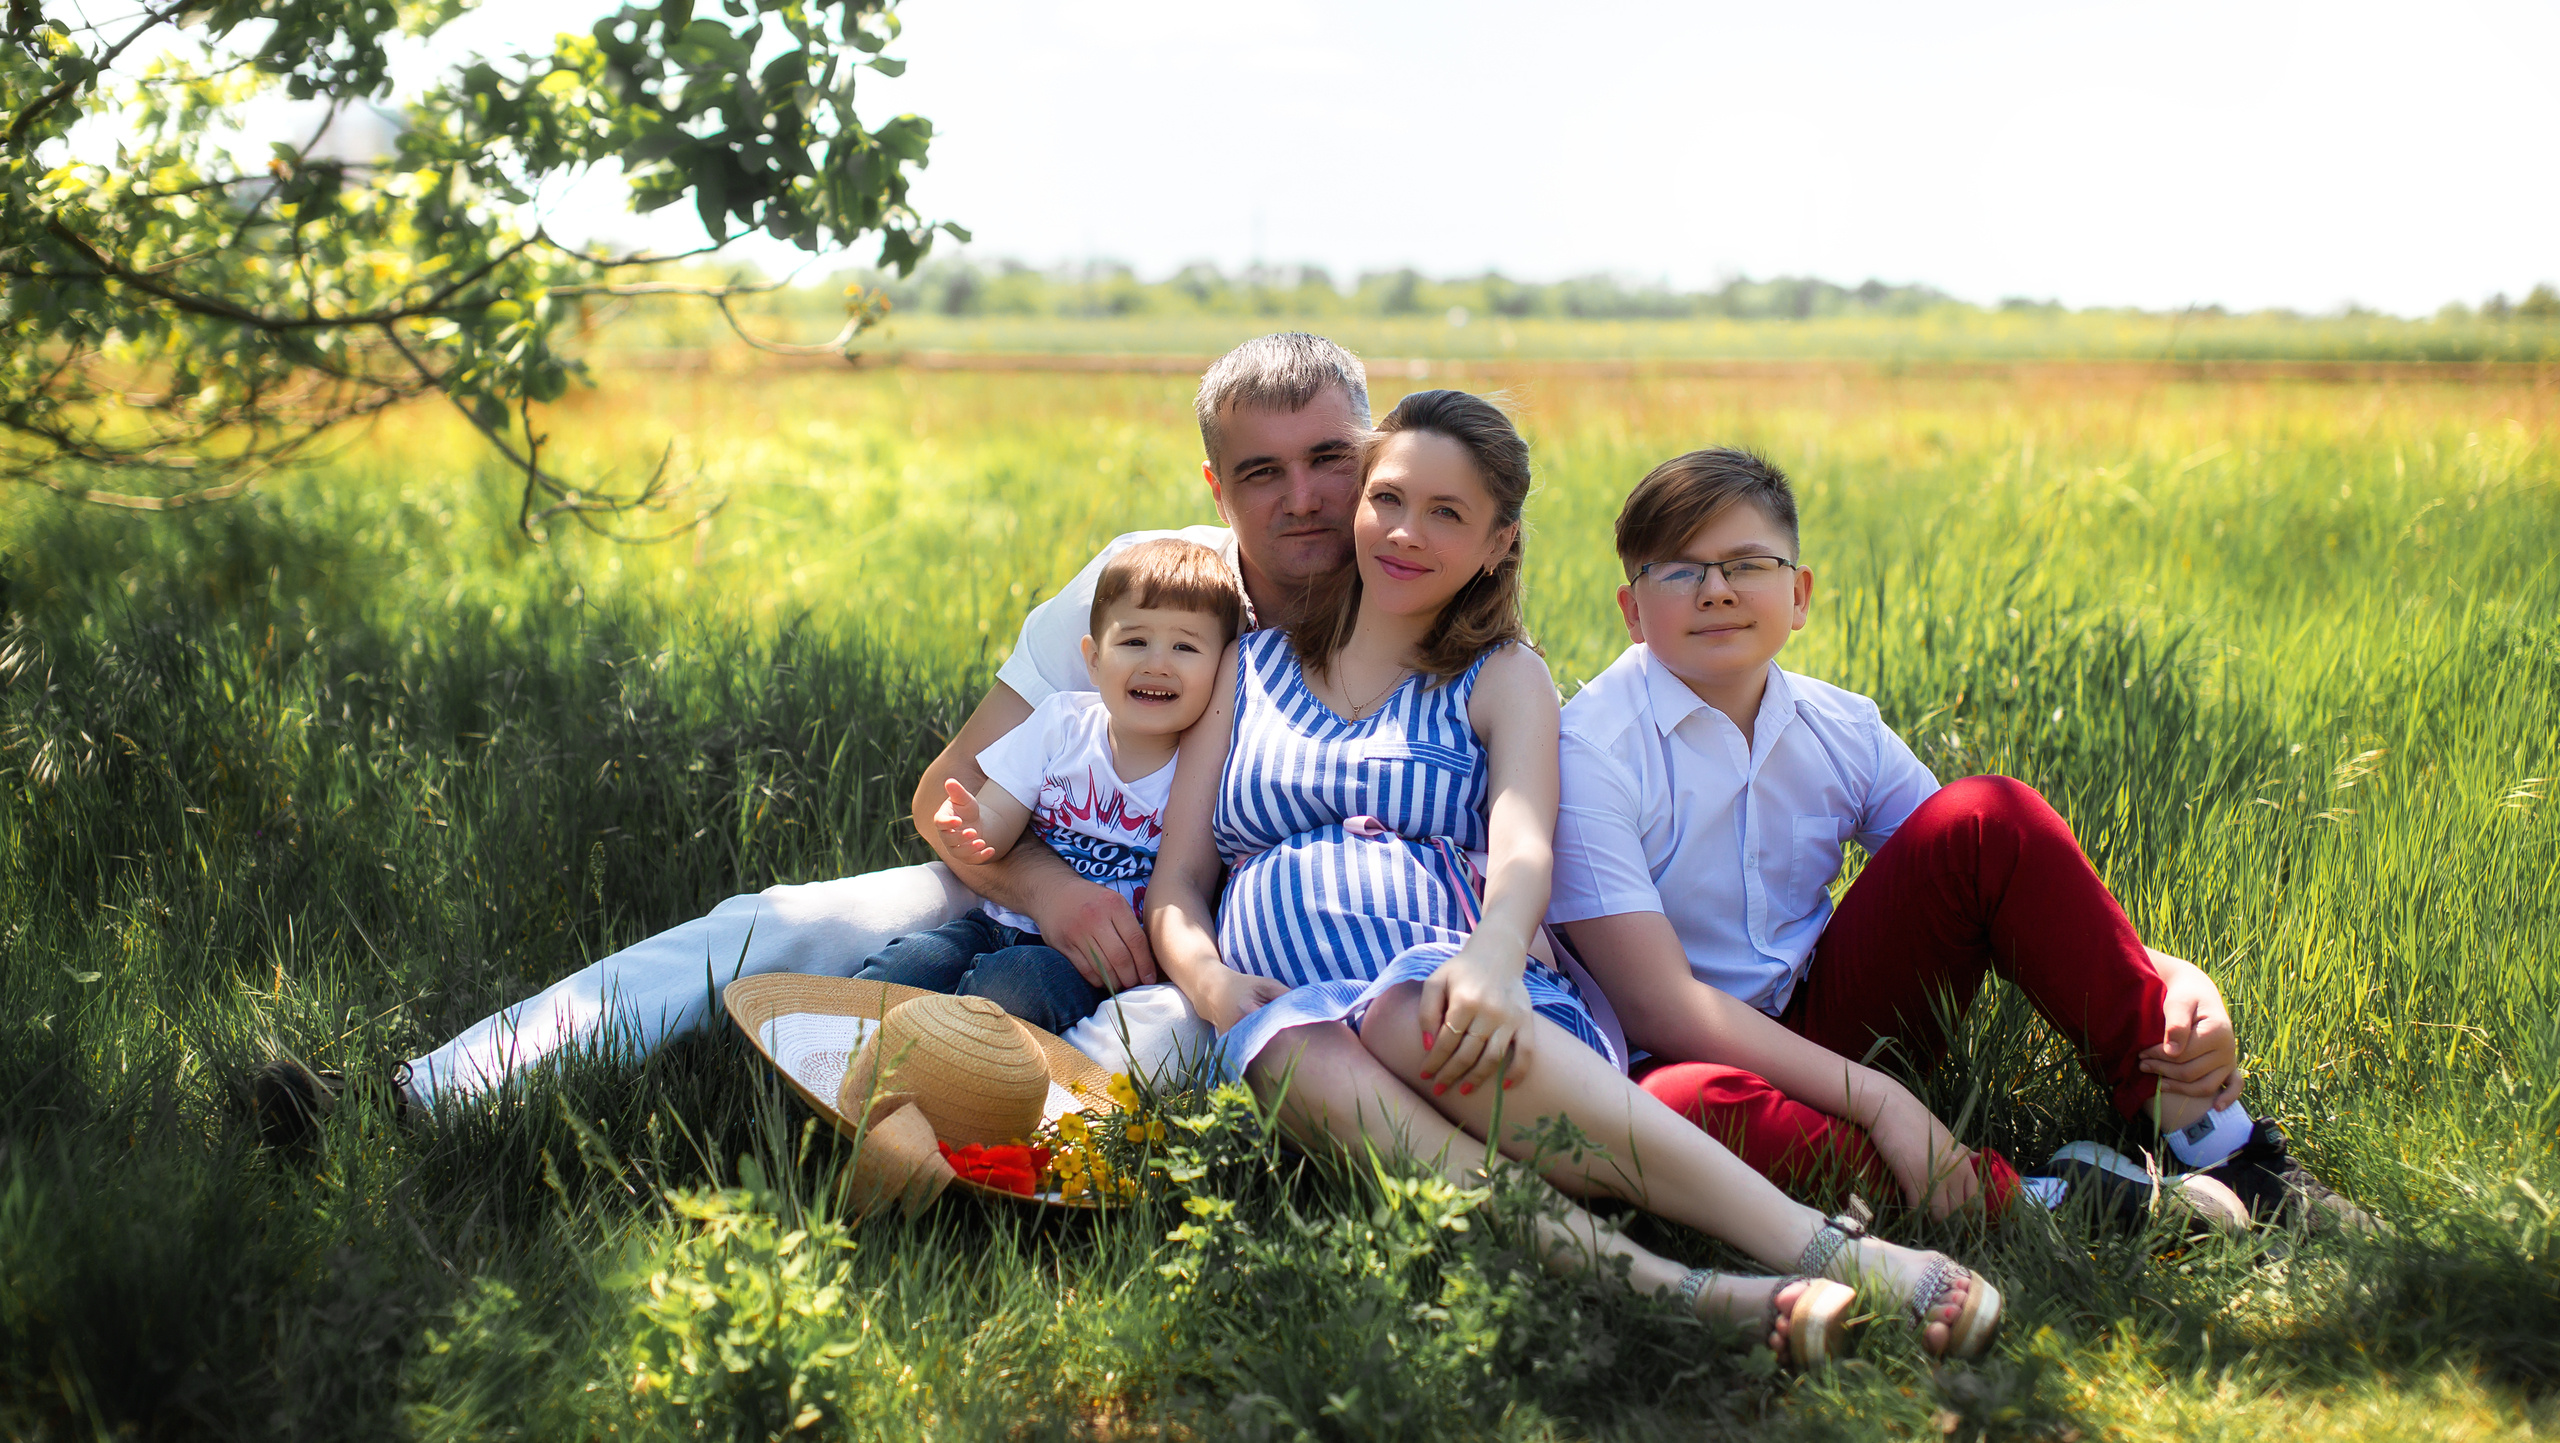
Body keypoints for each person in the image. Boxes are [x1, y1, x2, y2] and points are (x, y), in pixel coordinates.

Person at [248, 333, 1373, 1144]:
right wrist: (1048, 890)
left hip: (1223, 960)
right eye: (1262, 471)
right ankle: (419, 1098)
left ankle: (945, 1173)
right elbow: (947, 790)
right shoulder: (1148, 587)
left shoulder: (1416, 601)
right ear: (1215, 487)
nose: (1305, 498)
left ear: (1372, 454)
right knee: (774, 919)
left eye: (1330, 458)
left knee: (1149, 1042)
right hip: (1046, 889)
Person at [1145, 390, 2005, 1367]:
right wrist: (1210, 983)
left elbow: (1523, 846)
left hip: (1469, 994)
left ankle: (1829, 1250)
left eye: (1447, 513)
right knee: (1283, 1050)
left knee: (1408, 1014)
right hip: (1299, 1015)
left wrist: (1492, 955)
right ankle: (1688, 1294)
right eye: (1388, 499)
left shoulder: (1500, 674)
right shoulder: (1246, 670)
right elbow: (1177, 882)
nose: (1405, 532)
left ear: (1497, 545)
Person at [1549, 447, 2368, 1233]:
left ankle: (2223, 1146)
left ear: (1798, 595)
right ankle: (2048, 1200)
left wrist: (2175, 977)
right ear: (1632, 611)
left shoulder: (1840, 726)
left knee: (1988, 814)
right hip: (1680, 1058)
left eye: (1747, 563)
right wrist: (1879, 1099)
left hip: (1831, 1020)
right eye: (1680, 570)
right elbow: (1659, 1006)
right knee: (1678, 1112)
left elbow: (1994, 876)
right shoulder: (1590, 750)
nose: (1717, 590)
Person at [849, 538, 1242, 1032]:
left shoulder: (1206, 768)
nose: (1156, 663)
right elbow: (1001, 814)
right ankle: (834, 1048)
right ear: (1094, 659)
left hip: (1093, 965)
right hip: (1000, 922)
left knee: (1011, 986)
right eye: (1134, 642)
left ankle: (941, 1053)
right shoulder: (1062, 723)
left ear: (1223, 670)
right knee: (905, 966)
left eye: (1185, 647)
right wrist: (975, 826)